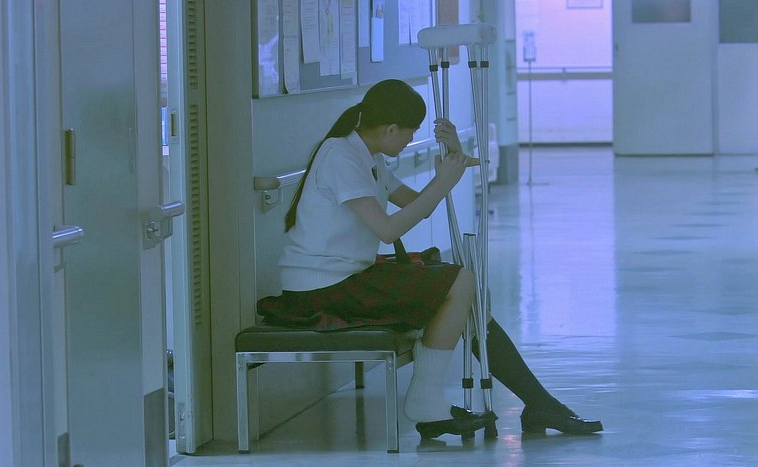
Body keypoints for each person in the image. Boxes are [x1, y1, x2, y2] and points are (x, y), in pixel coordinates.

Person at [258, 79, 602, 438]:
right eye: (409, 132)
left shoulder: (368, 157)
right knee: (460, 281)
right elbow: (387, 230)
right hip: (322, 289)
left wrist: (453, 162)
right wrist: (442, 182)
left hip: (343, 278)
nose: (410, 140)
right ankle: (431, 400)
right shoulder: (340, 156)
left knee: (466, 295)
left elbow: (414, 203)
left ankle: (537, 403)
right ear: (391, 129)